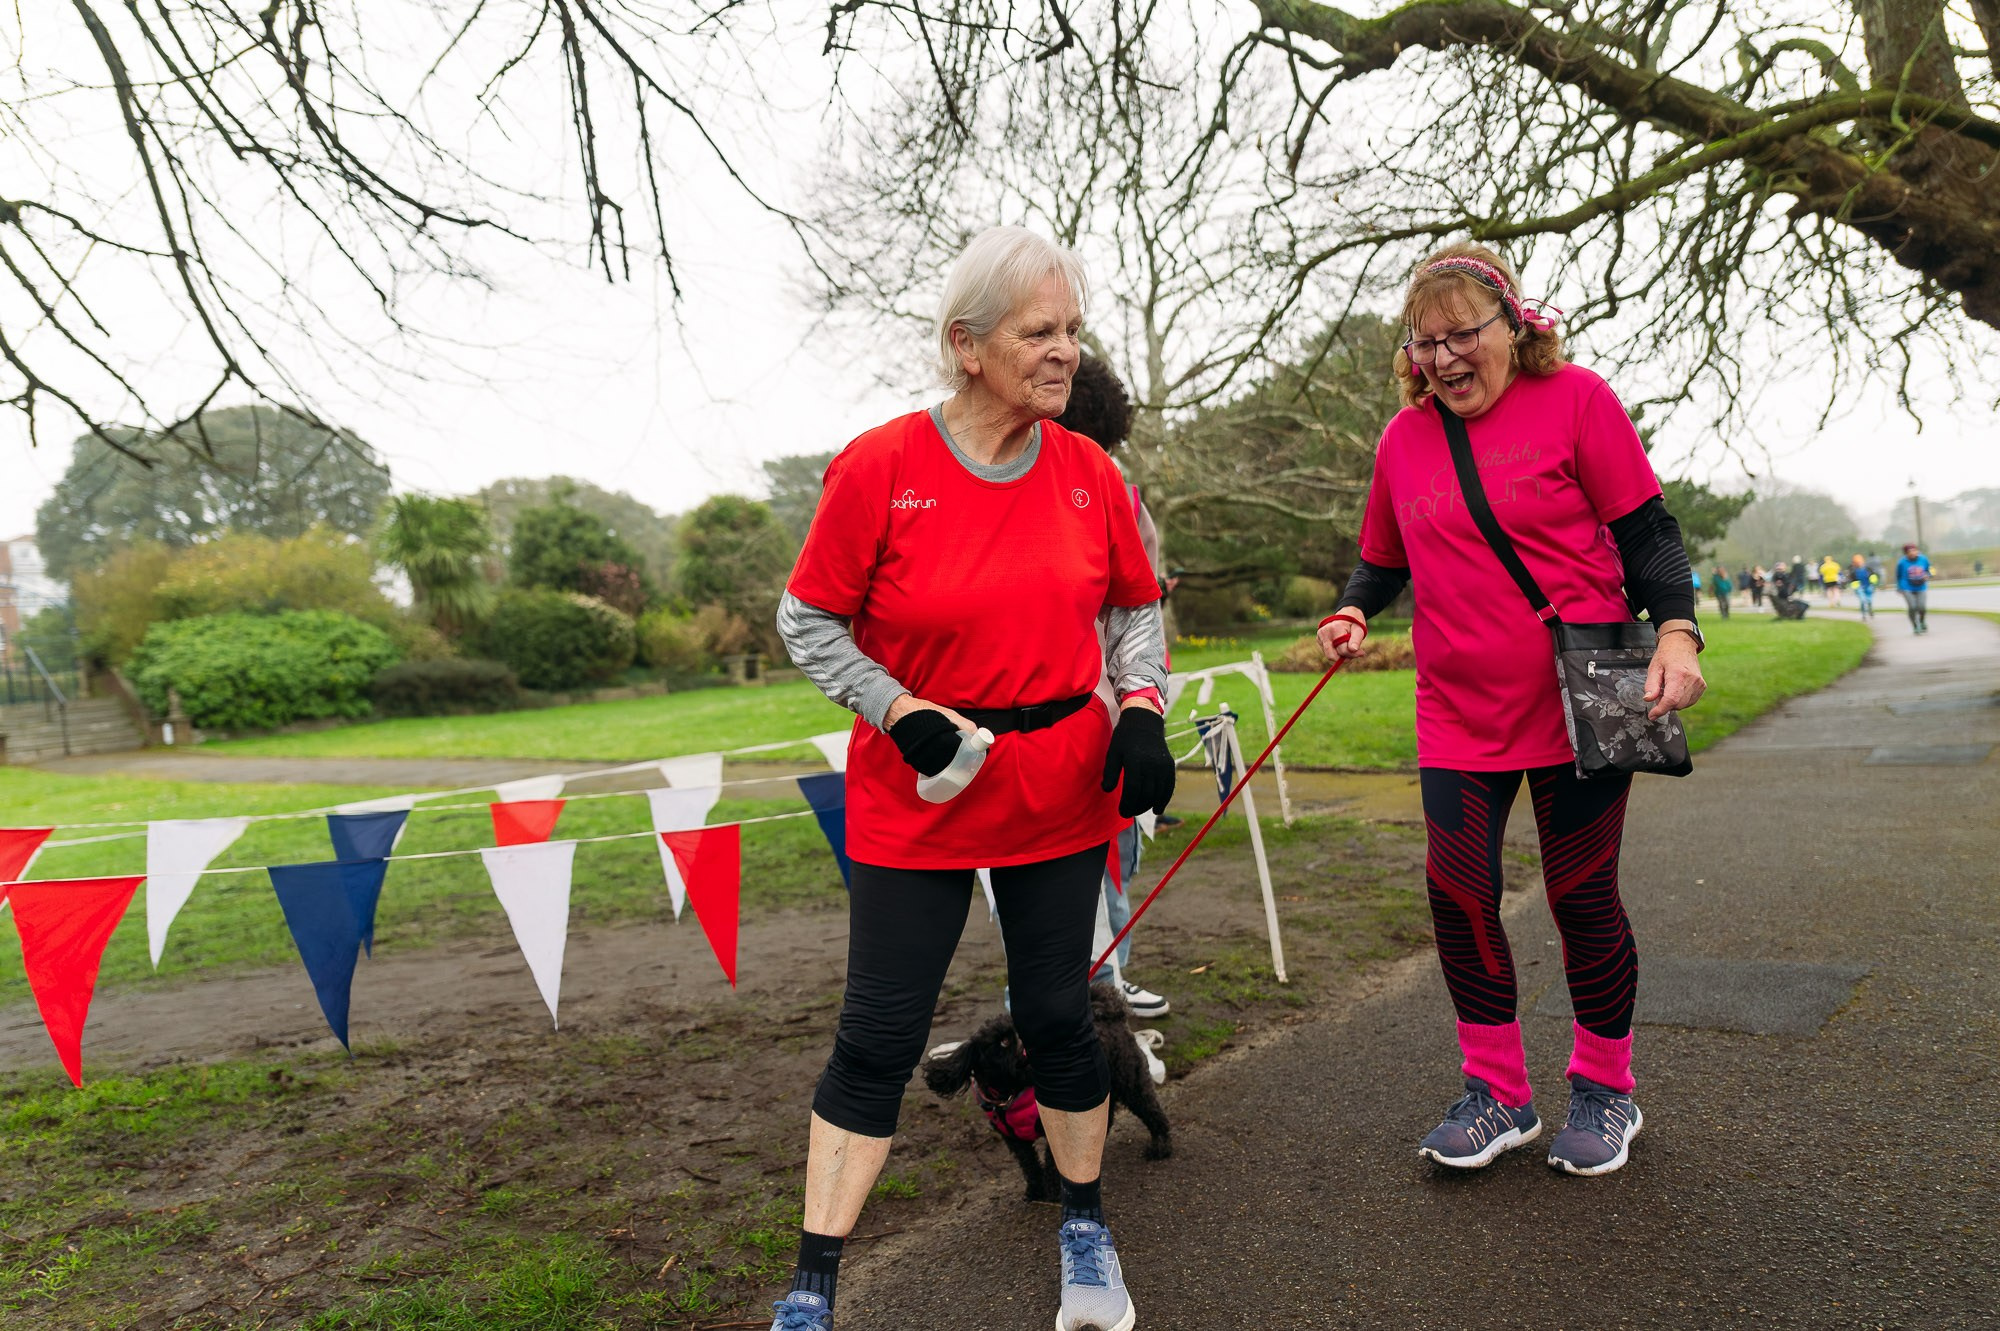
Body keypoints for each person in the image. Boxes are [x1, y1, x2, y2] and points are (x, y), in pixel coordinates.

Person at [770, 226, 1172, 1331]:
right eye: (1038, 332)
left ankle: (1085, 1229)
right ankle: (810, 1289)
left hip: (1057, 784)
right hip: (922, 786)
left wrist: (1138, 708)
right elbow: (806, 618)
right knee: (878, 1033)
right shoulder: (881, 466)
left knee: (1058, 1012)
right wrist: (895, 708)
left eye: (1072, 331)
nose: (1064, 354)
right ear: (966, 346)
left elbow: (1133, 608)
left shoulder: (1091, 474)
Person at [1320, 243, 1705, 1178]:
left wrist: (1680, 633)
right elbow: (1384, 556)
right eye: (1425, 342)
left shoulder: (1578, 400)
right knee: (1456, 893)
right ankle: (1498, 1093)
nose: (1445, 358)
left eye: (1463, 335)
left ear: (1513, 326)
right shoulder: (1403, 439)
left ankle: (1606, 1089)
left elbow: (1646, 531)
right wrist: (1353, 608)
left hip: (1588, 696)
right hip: (1458, 708)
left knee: (1581, 896)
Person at [1056, 352, 1173, 1021]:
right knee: (1052, 886)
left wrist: (1142, 703)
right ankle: (1061, 1005)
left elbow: (1141, 608)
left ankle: (1110, 990)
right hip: (1040, 722)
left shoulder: (1122, 499)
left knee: (1115, 857)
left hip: (1114, 716)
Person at [1896, 541, 1932, 634]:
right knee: (1912, 607)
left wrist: (1928, 575)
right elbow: (1898, 576)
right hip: (1907, 587)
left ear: (1917, 551)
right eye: (1909, 551)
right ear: (1906, 553)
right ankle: (1915, 626)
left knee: (1922, 607)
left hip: (1921, 586)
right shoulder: (1901, 563)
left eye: (1914, 550)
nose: (1912, 553)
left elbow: (1929, 569)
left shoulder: (1923, 559)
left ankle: (1922, 621)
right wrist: (1899, 587)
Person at [1849, 554, 1876, 621]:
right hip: (1860, 588)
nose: (1859, 563)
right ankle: (1864, 614)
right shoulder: (1853, 571)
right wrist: (1856, 588)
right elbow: (1853, 581)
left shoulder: (1868, 569)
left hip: (1868, 586)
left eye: (1860, 561)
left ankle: (1870, 610)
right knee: (1863, 600)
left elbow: (1873, 577)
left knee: (1869, 600)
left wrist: (1872, 585)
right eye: (1857, 562)